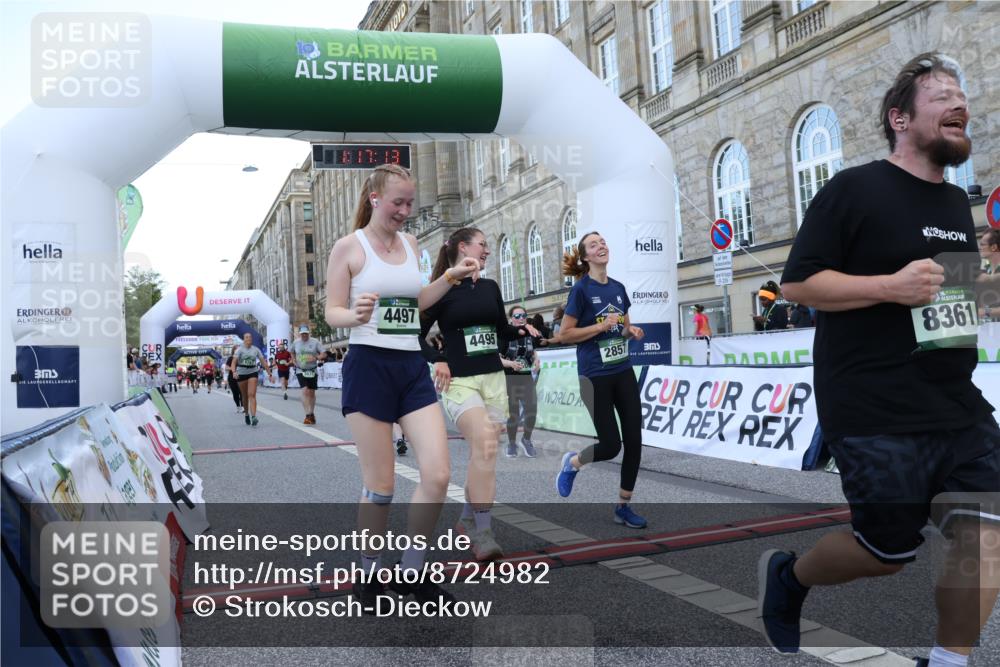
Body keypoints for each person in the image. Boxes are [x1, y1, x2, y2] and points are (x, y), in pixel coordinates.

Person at [759, 53, 1000, 667]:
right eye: (941, 94)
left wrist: (979, 301)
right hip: (872, 405)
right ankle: (790, 578)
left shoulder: (953, 203)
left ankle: (947, 662)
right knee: (884, 553)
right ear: (900, 118)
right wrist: (888, 287)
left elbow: (947, 309)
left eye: (961, 95)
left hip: (955, 405)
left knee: (986, 535)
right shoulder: (853, 188)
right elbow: (798, 286)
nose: (959, 104)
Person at [324, 163, 480, 609]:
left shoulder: (411, 244)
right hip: (368, 365)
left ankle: (412, 571)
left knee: (437, 473)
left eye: (410, 203)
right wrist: (353, 316)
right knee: (381, 485)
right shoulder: (348, 248)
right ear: (375, 198)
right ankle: (369, 573)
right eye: (398, 203)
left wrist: (447, 279)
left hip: (411, 366)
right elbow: (334, 309)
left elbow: (416, 305)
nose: (405, 211)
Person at [419, 227, 539, 561]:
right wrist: (438, 359)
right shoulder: (443, 288)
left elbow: (499, 329)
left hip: (493, 380)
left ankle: (466, 519)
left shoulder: (490, 287)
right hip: (460, 381)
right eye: (483, 245)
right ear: (463, 247)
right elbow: (415, 332)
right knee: (485, 442)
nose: (487, 251)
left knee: (484, 455)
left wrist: (521, 328)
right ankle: (483, 533)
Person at [554, 232, 648, 529]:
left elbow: (620, 329)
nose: (602, 246)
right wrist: (597, 326)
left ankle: (623, 506)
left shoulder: (619, 288)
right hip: (593, 376)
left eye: (603, 242)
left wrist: (629, 332)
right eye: (594, 245)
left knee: (634, 440)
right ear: (586, 257)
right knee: (610, 446)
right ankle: (572, 464)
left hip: (622, 370)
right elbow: (564, 334)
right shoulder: (580, 291)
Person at [499, 305, 541, 458]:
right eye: (517, 316)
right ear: (511, 319)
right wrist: (511, 364)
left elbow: (533, 351)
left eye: (523, 315)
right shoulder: (504, 335)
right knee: (513, 413)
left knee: (532, 410)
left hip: (526, 377)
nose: (521, 318)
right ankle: (511, 443)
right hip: (509, 377)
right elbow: (496, 357)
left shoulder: (529, 333)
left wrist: (536, 360)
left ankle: (526, 439)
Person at [230, 333, 273, 426]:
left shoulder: (256, 349)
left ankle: (254, 417)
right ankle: (246, 414)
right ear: (244, 339)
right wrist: (234, 372)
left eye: (250, 337)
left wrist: (270, 374)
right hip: (241, 373)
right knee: (244, 396)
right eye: (246, 337)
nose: (249, 338)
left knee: (252, 394)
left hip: (253, 371)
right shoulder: (239, 350)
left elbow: (263, 362)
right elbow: (233, 363)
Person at [290, 324, 327, 425]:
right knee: (305, 391)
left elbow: (324, 353)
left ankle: (311, 413)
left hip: (312, 369)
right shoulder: (296, 342)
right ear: (300, 334)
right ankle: (308, 415)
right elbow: (291, 352)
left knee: (311, 393)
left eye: (306, 334)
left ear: (308, 333)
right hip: (300, 369)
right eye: (302, 334)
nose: (304, 336)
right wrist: (293, 360)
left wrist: (316, 358)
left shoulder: (315, 342)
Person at [224, 345, 243, 412]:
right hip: (232, 378)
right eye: (236, 349)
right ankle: (238, 406)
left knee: (242, 392)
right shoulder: (231, 358)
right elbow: (226, 367)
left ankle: (243, 406)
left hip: (241, 377)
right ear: (233, 350)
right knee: (235, 393)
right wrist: (233, 369)